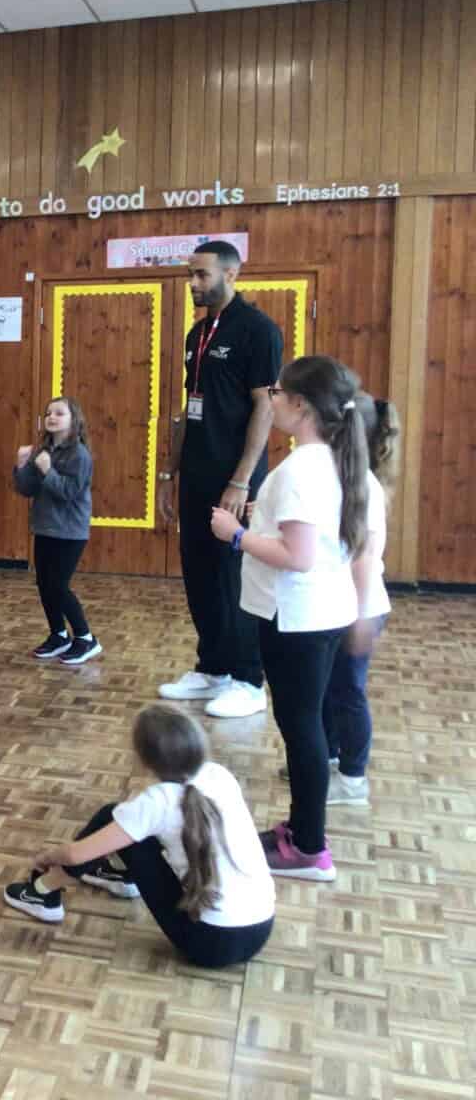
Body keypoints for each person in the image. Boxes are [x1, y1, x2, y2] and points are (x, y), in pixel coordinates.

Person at [209, 355, 367, 880]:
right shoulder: (332, 460)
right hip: (320, 612)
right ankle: (302, 830)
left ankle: (308, 847)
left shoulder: (301, 469)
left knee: (302, 732)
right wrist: (262, 522)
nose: (271, 399)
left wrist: (235, 534)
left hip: (297, 618)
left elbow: (297, 556)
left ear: (300, 405)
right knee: (308, 726)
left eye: (277, 392)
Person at [3, 704, 274, 969]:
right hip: (261, 930)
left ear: (144, 760)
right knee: (128, 824)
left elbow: (75, 855)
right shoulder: (220, 775)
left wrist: (47, 857)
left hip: (207, 942)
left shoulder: (156, 802)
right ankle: (119, 875)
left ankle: (42, 892)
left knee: (112, 817)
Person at [158, 242, 283, 715]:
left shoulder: (257, 330)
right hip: (196, 474)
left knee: (234, 576)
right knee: (199, 572)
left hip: (234, 479)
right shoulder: (198, 333)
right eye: (190, 274)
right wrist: (169, 472)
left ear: (231, 274)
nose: (193, 283)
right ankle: (212, 668)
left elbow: (264, 406)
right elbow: (188, 410)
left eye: (202, 275)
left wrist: (241, 480)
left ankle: (248, 680)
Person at [317, 395, 398, 806]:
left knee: (349, 692)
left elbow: (365, 558)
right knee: (330, 688)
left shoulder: (362, 486)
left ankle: (352, 779)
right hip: (340, 605)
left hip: (360, 607)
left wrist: (361, 617)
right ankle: (330, 758)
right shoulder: (342, 478)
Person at [13, 395, 100, 664]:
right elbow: (26, 489)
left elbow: (69, 493)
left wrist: (48, 471)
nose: (52, 417)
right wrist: (21, 465)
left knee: (58, 586)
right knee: (44, 584)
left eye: (59, 413)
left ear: (74, 420)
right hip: (44, 528)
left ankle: (86, 638)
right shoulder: (44, 451)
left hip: (70, 532)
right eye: (49, 413)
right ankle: (59, 634)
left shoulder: (79, 454)